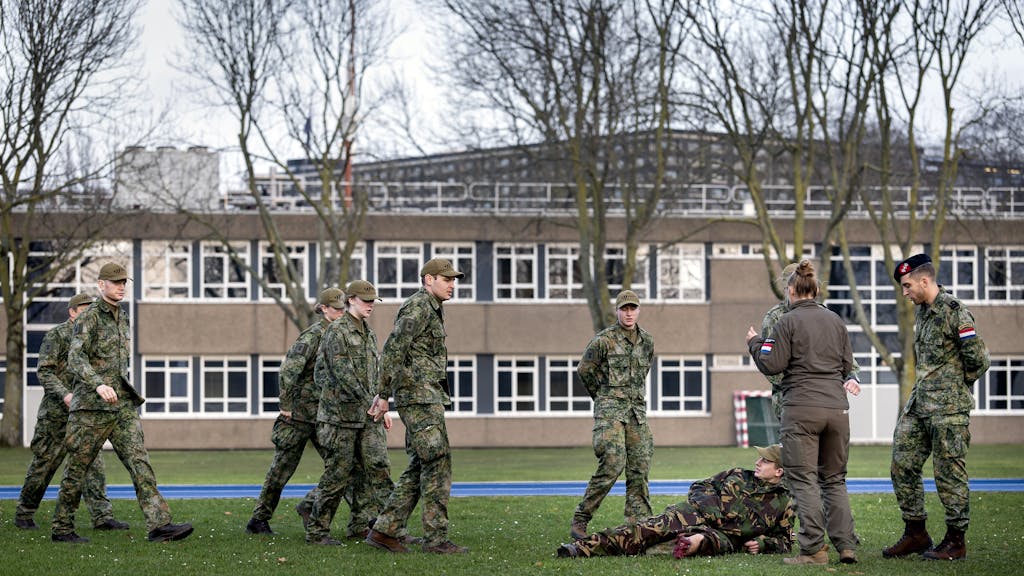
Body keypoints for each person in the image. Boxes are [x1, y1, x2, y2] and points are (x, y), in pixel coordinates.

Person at [51, 262, 193, 543]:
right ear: (101, 285)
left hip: (121, 405)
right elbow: (75, 358)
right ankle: (62, 528)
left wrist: (115, 388)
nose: (121, 286)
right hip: (90, 408)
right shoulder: (89, 317)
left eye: (123, 282)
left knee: (140, 462)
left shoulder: (123, 317)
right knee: (77, 469)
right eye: (115, 282)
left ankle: (159, 525)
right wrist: (98, 384)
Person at [745, 259, 861, 565]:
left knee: (804, 479)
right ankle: (846, 546)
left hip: (802, 409)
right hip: (837, 409)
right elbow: (847, 366)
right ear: (816, 290)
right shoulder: (836, 320)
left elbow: (772, 364)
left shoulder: (786, 321)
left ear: (791, 291)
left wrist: (755, 343)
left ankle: (813, 550)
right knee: (834, 479)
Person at [883, 254, 990, 561]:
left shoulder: (955, 312)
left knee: (948, 474)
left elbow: (979, 360)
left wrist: (953, 387)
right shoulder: (923, 313)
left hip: (947, 410)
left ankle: (956, 541)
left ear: (924, 280)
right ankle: (916, 533)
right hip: (919, 405)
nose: (905, 292)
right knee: (902, 463)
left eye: (907, 286)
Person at [365, 258, 468, 554]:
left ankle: (385, 530)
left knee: (423, 462)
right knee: (437, 461)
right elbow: (393, 349)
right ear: (428, 279)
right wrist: (383, 394)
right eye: (446, 279)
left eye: (453, 280)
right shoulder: (418, 306)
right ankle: (436, 539)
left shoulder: (433, 308)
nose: (452, 285)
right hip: (418, 396)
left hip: (428, 395)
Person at [14, 293, 128, 532]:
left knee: (93, 465)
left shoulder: (95, 336)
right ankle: (25, 512)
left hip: (86, 412)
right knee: (45, 464)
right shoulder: (57, 335)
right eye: (83, 310)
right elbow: (44, 372)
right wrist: (65, 394)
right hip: (56, 415)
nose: (88, 314)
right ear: (72, 312)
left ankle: (102, 517)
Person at [557, 445, 794, 559]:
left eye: (765, 461)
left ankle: (668, 545)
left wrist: (763, 545)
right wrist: (710, 507)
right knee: (647, 530)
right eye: (759, 458)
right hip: (693, 514)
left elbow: (785, 541)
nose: (758, 462)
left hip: (722, 537)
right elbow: (700, 486)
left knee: (689, 544)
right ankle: (582, 548)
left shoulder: (784, 504)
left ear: (779, 471)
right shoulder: (738, 474)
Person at [246, 288, 347, 535]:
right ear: (324, 308)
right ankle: (258, 520)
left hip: (324, 416)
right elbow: (288, 370)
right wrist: (286, 406)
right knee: (281, 470)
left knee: (342, 465)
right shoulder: (313, 335)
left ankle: (317, 508)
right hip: (299, 416)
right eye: (336, 308)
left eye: (343, 308)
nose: (341, 312)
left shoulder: (340, 335)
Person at [305, 280, 394, 545]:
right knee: (337, 475)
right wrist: (373, 402)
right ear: (351, 300)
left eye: (373, 301)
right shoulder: (337, 331)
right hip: (340, 419)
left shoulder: (368, 332)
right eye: (366, 301)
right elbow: (341, 373)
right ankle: (317, 532)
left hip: (367, 415)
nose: (370, 305)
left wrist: (381, 402)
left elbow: (373, 374)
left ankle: (381, 528)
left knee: (377, 468)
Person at [570, 289, 655, 541]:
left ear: (638, 311)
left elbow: (642, 374)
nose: (629, 313)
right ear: (617, 311)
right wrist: (603, 397)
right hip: (610, 413)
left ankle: (639, 525)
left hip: (636, 413)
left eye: (633, 309)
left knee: (640, 466)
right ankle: (581, 517)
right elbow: (584, 370)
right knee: (613, 462)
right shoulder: (603, 341)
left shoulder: (647, 341)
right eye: (624, 309)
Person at [760, 263, 798, 422]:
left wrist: (850, 376)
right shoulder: (775, 317)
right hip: (789, 401)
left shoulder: (823, 315)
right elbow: (769, 363)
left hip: (821, 401)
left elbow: (840, 352)